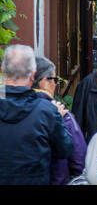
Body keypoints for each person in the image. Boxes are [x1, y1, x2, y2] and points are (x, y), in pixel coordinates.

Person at [0, 45, 73, 185]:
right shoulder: (46, 111)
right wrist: (57, 118)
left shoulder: (46, 111)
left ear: (3, 71)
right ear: (33, 75)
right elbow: (65, 149)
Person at [32, 56, 87, 185]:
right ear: (44, 82)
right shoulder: (60, 113)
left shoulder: (11, 107)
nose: (55, 85)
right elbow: (79, 161)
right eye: (55, 80)